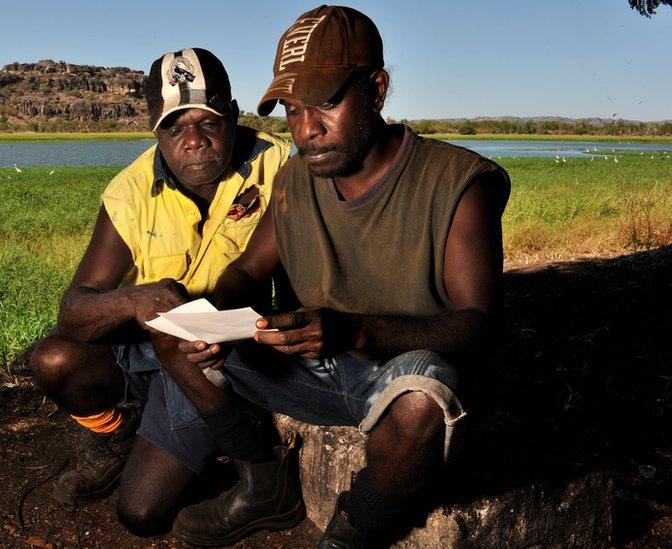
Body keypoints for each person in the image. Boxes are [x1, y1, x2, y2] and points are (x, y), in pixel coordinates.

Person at [169, 6, 512, 547]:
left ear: (376, 90)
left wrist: (357, 331)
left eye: (326, 104)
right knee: (177, 329)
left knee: (422, 403)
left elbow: (480, 326)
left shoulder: (457, 182)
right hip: (312, 370)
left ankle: (356, 526)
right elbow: (246, 272)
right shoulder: (294, 181)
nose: (306, 130)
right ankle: (262, 481)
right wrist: (213, 321)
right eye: (292, 110)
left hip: (396, 372)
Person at [26, 48, 291, 535]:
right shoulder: (129, 191)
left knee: (141, 513)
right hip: (152, 349)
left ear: (233, 115)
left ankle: (223, 443)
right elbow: (74, 311)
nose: (193, 142)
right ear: (155, 130)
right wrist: (133, 298)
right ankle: (120, 433)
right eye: (174, 128)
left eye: (208, 122)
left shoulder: (277, 165)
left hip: (224, 354)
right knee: (52, 359)